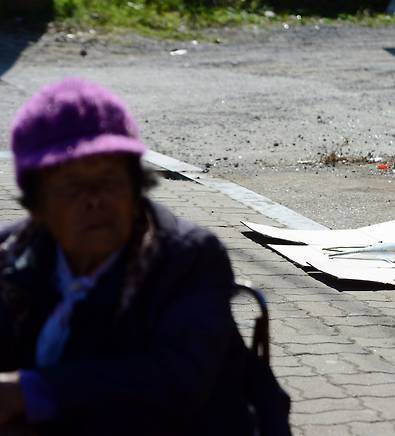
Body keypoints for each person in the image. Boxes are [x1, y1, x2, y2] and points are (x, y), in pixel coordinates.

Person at [0, 78, 280, 435]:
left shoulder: (188, 258)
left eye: (110, 179)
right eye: (71, 183)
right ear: (36, 202)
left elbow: (175, 383)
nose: (94, 199)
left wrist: (31, 392)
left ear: (135, 186)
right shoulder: (11, 255)